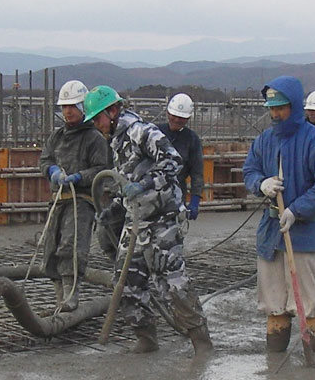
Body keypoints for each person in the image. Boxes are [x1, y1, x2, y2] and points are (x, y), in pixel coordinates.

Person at [84, 85, 213, 355]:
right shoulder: (117, 141)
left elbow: (173, 161)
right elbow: (126, 182)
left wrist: (144, 184)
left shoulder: (141, 131)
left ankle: (200, 341)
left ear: (112, 111)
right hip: (136, 221)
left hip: (162, 218)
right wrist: (116, 208)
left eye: (97, 119)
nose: (96, 125)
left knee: (171, 282)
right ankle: (146, 337)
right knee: (126, 281)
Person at [242, 77, 315, 352]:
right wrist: (260, 183)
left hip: (307, 234)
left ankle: (311, 365)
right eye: (272, 108)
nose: (275, 114)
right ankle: (276, 359)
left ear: (295, 106)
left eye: (281, 108)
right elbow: (249, 170)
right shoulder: (264, 140)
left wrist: (297, 210)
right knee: (274, 302)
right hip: (272, 234)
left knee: (309, 302)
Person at [38, 80, 110, 312]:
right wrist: (52, 171)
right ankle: (60, 297)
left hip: (81, 202)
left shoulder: (94, 138)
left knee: (72, 247)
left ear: (83, 107)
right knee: (52, 249)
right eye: (64, 106)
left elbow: (101, 168)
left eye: (72, 106)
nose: (68, 111)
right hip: (58, 201)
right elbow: (45, 159)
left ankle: (71, 297)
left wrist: (79, 177)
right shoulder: (57, 136)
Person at [156, 93, 205, 220]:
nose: (177, 120)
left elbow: (197, 173)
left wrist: (194, 201)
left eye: (181, 117)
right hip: (151, 193)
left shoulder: (192, 140)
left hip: (176, 195)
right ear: (168, 113)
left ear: (188, 119)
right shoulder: (154, 133)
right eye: (174, 116)